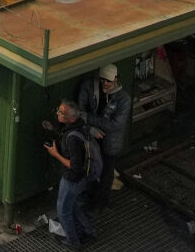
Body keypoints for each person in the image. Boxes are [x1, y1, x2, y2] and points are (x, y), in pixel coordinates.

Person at [44, 100, 100, 250]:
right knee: (74, 205)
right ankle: (89, 231)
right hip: (85, 177)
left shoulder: (73, 138)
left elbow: (74, 166)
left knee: (63, 210)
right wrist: (54, 130)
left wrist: (55, 154)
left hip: (73, 179)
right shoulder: (79, 127)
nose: (57, 113)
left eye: (61, 113)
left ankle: (73, 241)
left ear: (71, 118)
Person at [75, 63, 130, 206]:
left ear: (116, 79)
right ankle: (92, 199)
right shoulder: (89, 86)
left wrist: (90, 119)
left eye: (108, 81)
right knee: (90, 169)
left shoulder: (123, 99)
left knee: (106, 173)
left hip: (109, 142)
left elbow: (115, 125)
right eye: (102, 80)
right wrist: (90, 129)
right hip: (92, 138)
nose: (105, 83)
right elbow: (79, 113)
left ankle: (100, 202)